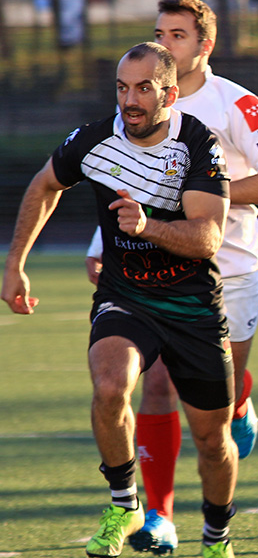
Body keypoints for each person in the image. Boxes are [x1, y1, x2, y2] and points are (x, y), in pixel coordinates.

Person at [2, 42, 238, 558]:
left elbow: (207, 239)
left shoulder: (199, 144)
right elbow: (44, 186)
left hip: (192, 304)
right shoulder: (92, 140)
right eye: (122, 87)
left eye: (143, 89)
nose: (130, 100)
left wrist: (148, 225)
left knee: (214, 442)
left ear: (169, 93)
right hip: (125, 295)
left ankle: (217, 539)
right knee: (110, 387)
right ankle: (125, 503)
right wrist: (15, 262)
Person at [81, 0, 258, 555]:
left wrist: (204, 199)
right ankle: (160, 514)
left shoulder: (240, 105)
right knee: (153, 383)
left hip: (233, 267)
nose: (167, 42)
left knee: (215, 411)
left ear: (206, 44)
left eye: (178, 34)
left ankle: (241, 398)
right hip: (154, 274)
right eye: (160, 31)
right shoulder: (137, 110)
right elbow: (116, 180)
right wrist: (103, 239)